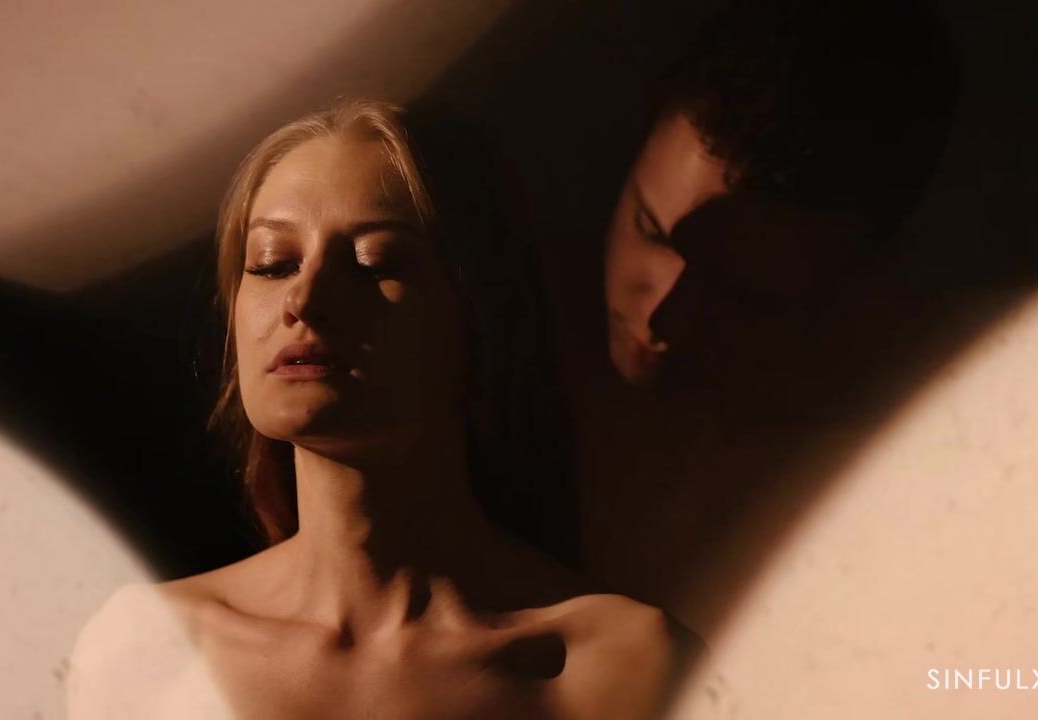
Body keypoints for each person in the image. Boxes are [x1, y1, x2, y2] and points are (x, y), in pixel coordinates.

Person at [68, 98, 695, 719]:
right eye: (273, 264)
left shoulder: (618, 666)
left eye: (374, 263)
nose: (303, 299)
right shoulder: (147, 651)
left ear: (478, 314)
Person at [582, 0, 960, 633]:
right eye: (650, 230)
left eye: (739, 293)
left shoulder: (864, 536)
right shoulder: (475, 322)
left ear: (849, 290)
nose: (662, 318)